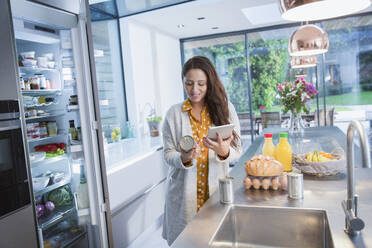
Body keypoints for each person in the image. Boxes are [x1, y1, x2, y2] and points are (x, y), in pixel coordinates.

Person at [162, 56, 242, 245]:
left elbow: (237, 150)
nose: (194, 90)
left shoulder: (225, 109)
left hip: (214, 193)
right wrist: (183, 157)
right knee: (186, 243)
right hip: (183, 197)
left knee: (215, 240)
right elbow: (167, 153)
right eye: (189, 84)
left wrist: (224, 151)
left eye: (201, 84)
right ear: (183, 82)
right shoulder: (174, 114)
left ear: (210, 83)